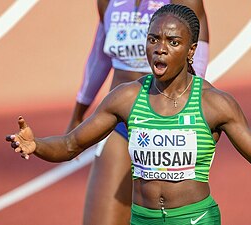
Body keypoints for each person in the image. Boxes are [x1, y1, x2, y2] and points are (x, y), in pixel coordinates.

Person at [6, 4, 251, 224]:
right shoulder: (125, 98)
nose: (160, 50)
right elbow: (71, 145)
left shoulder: (215, 104)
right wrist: (37, 145)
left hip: (194, 219)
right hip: (144, 219)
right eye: (153, 40)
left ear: (190, 50)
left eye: (172, 42)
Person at [66, 0, 209, 224]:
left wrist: (185, 110)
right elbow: (99, 57)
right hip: (120, 119)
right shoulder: (107, 2)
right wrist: (78, 113)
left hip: (168, 122)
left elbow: (197, 54)